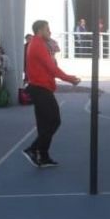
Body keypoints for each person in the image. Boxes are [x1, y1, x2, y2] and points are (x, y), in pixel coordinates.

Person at [22, 19, 81, 167]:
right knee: (54, 121)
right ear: (40, 30)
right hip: (40, 89)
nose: (50, 32)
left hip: (40, 88)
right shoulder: (37, 45)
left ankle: (43, 156)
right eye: (47, 29)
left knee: (44, 124)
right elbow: (52, 68)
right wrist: (70, 79)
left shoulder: (36, 44)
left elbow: (49, 66)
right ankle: (33, 149)